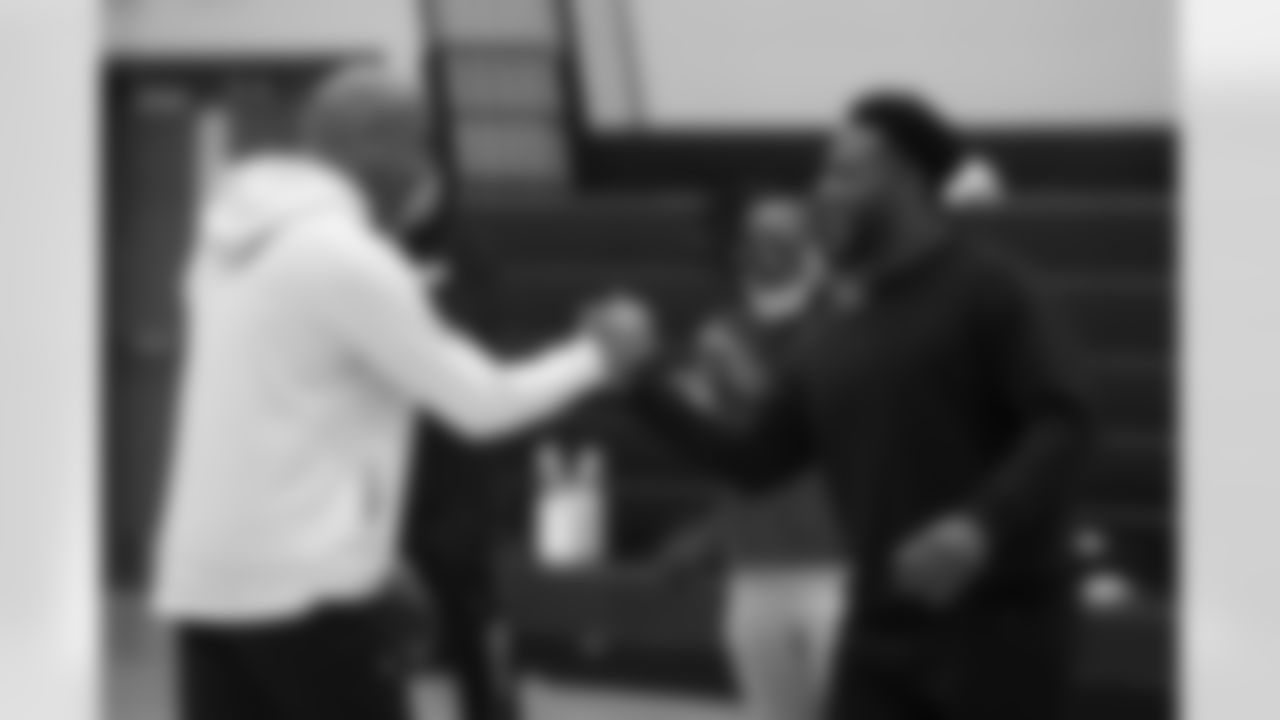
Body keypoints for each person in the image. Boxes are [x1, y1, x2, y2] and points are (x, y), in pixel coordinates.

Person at [149, 62, 656, 720]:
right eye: (417, 146)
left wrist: (373, 551)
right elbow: (481, 404)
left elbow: (291, 424)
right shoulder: (346, 257)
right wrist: (599, 355)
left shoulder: (223, 247)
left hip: (204, 586)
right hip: (308, 595)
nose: (422, 172)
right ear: (375, 149)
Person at [631, 91, 1096, 720]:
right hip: (879, 628)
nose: (822, 191)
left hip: (1001, 627)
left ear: (908, 179)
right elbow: (754, 461)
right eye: (822, 173)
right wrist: (639, 383)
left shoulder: (993, 288)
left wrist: (979, 523)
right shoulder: (832, 330)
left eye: (845, 172)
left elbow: (1064, 420)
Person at [652, 192, 852, 720]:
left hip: (838, 568)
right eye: (754, 238)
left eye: (781, 237)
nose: (765, 249)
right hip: (753, 571)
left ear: (812, 247)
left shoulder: (847, 323)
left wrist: (742, 374)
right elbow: (728, 454)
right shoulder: (718, 332)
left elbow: (807, 429)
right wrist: (711, 534)